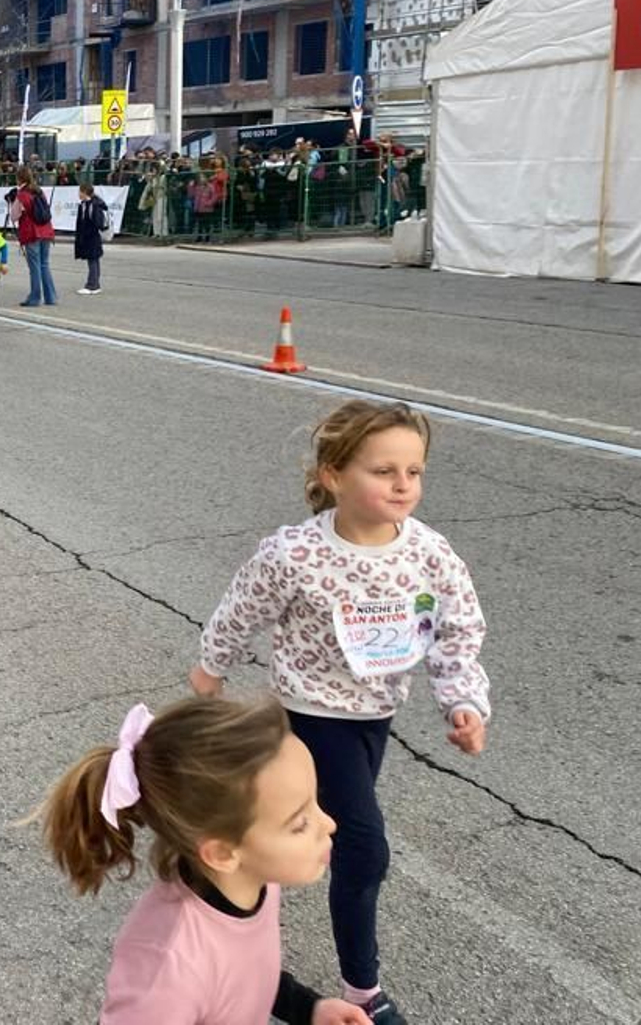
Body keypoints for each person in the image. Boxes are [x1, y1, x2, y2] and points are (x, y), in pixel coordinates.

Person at [191, 401, 492, 1025]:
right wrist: (211, 665)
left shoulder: (430, 555)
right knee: (362, 848)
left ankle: (231, 915)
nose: (404, 484)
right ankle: (362, 990)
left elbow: (455, 634)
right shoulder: (296, 553)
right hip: (309, 715)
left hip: (374, 718)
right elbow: (241, 607)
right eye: (384, 470)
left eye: (415, 471)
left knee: (294, 828)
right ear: (333, 475)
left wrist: (462, 701)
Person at [33, 696, 368, 1025]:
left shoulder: (256, 879)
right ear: (222, 853)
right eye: (300, 823)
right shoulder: (166, 968)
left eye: (315, 801)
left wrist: (308, 1009)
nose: (329, 823)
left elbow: (241, 970)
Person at [12, 166, 57, 307]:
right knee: (44, 264)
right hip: (46, 231)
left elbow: (14, 216)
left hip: (32, 233)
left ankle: (35, 297)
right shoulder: (39, 191)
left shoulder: (22, 195)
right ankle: (51, 296)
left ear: (19, 179)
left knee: (34, 267)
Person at [74, 184, 110, 295]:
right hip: (86, 237)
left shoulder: (94, 205)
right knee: (93, 260)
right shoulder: (84, 205)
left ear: (85, 192)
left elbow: (97, 222)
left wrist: (90, 231)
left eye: (80, 192)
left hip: (92, 237)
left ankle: (92, 285)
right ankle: (95, 283)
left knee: (93, 260)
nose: (78, 194)